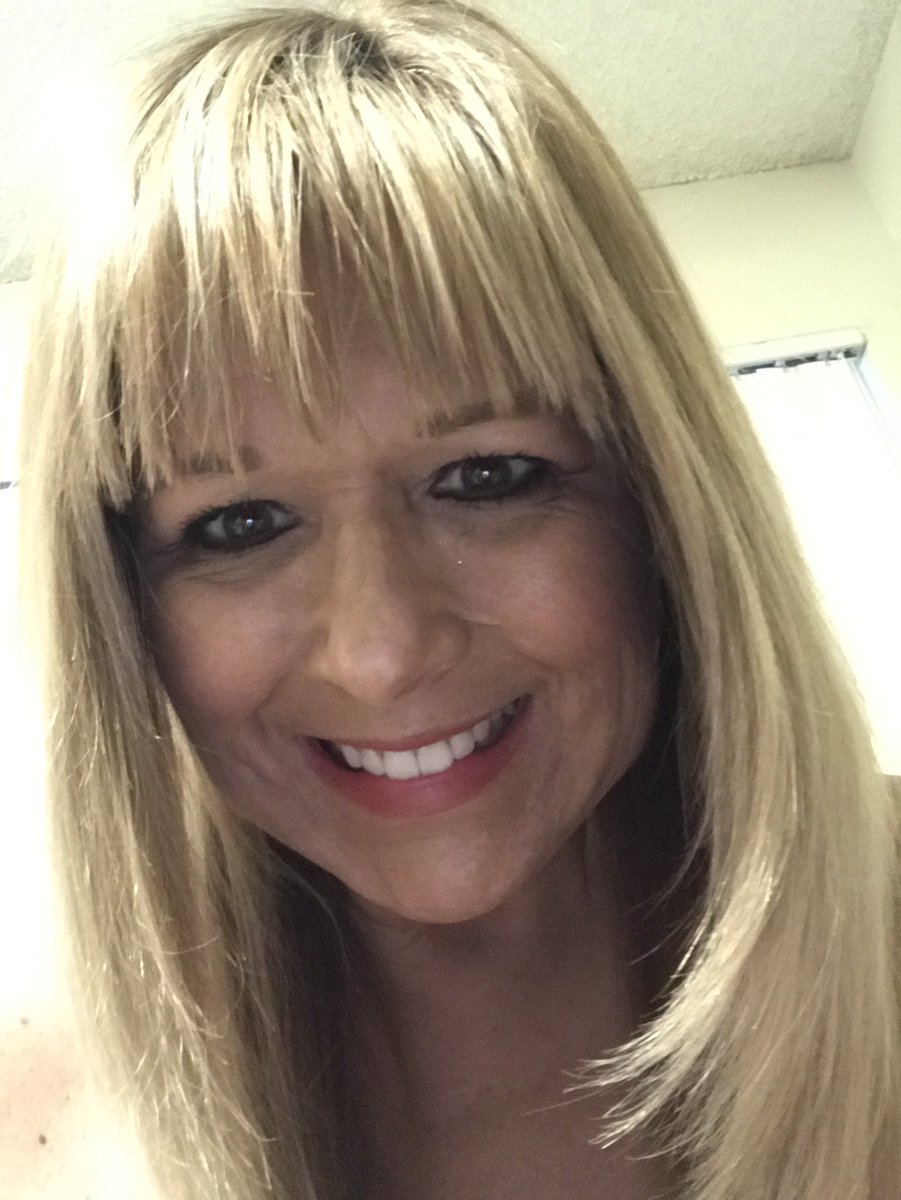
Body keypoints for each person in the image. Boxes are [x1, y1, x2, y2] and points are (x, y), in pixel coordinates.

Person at [17, 2, 900, 1198]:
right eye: (240, 524)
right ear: (125, 606)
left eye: (485, 478)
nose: (380, 652)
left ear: (662, 505)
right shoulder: (41, 1136)